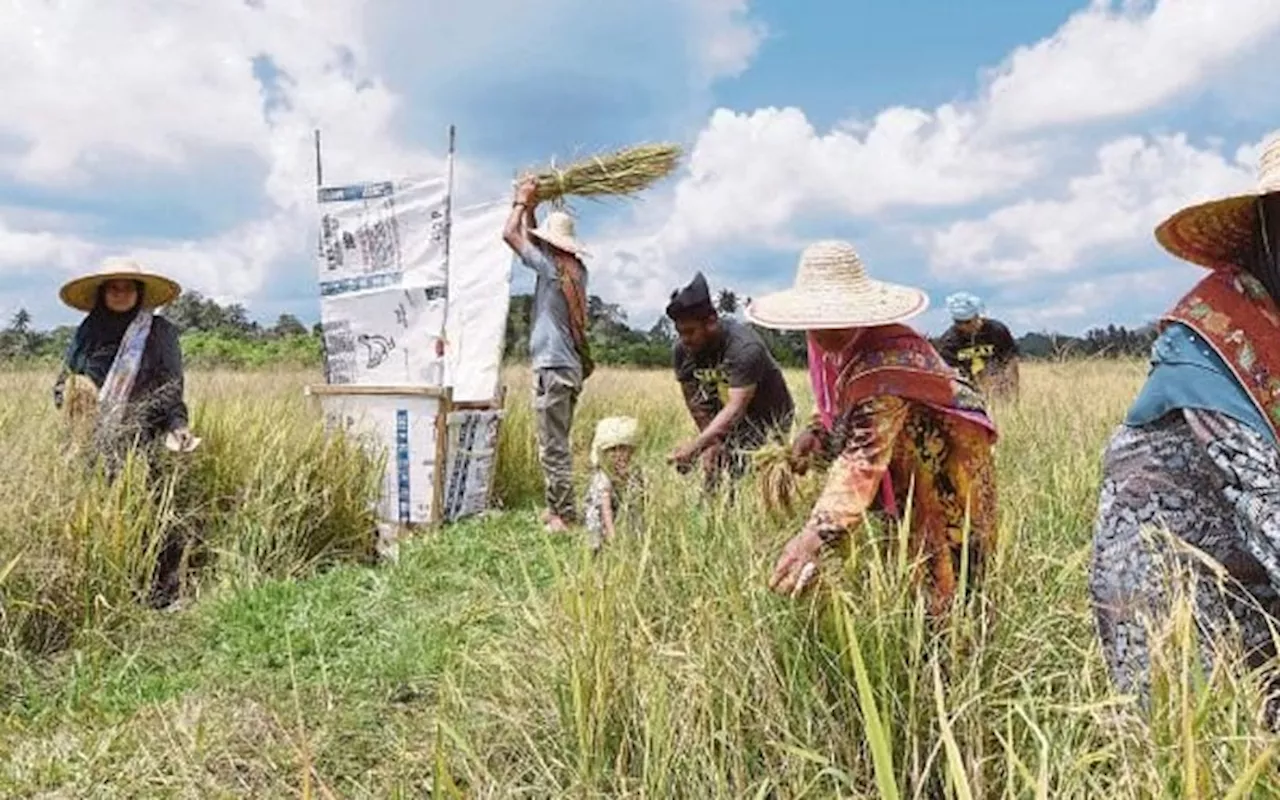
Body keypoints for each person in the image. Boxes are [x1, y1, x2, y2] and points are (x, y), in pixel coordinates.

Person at [1089, 136, 1280, 723]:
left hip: (1254, 580)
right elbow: (1268, 504)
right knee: (1198, 745)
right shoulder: (1212, 337)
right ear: (1270, 229)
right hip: (1172, 589)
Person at [747, 241, 998, 617]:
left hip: (944, 466)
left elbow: (861, 458)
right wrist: (816, 431)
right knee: (903, 558)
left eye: (833, 318)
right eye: (814, 320)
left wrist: (814, 535)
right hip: (900, 464)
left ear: (858, 315)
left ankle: (954, 662)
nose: (820, 330)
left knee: (950, 570)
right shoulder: (832, 347)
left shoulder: (884, 363)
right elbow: (836, 401)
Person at [51, 258, 197, 609]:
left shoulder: (158, 332)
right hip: (95, 440)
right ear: (102, 293)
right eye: (113, 287)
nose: (120, 293)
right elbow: (62, 384)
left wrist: (178, 425)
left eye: (127, 286)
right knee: (102, 515)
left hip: (144, 436)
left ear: (140, 291)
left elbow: (171, 386)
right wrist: (73, 393)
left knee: (153, 513)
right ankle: (113, 591)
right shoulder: (89, 331)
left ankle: (163, 594)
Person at [502, 177, 594, 533]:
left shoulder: (552, 270)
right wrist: (536, 208)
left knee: (552, 445)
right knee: (556, 440)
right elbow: (532, 237)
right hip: (565, 368)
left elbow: (510, 234)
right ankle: (557, 505)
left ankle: (564, 516)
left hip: (553, 368)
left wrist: (521, 201)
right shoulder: (574, 270)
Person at [665, 272, 795, 490]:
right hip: (725, 421)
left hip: (768, 419)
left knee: (757, 481)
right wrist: (711, 444)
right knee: (715, 475)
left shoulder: (744, 348)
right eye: (680, 332)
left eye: (690, 331)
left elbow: (736, 408)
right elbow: (696, 403)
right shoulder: (683, 351)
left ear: (711, 321)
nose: (684, 340)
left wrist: (695, 448)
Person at [935, 292, 1020, 400]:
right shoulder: (949, 341)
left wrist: (1014, 393)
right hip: (968, 395)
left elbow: (1011, 361)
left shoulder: (997, 331)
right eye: (958, 322)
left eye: (967, 322)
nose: (963, 326)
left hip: (999, 391)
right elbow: (948, 374)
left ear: (976, 316)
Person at [583, 416, 642, 553]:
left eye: (623, 449)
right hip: (600, 510)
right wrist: (611, 533)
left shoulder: (634, 471)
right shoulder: (603, 477)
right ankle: (597, 551)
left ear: (631, 450)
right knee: (597, 530)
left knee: (633, 517)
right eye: (613, 450)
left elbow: (641, 496)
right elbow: (605, 508)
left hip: (620, 506)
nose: (619, 455)